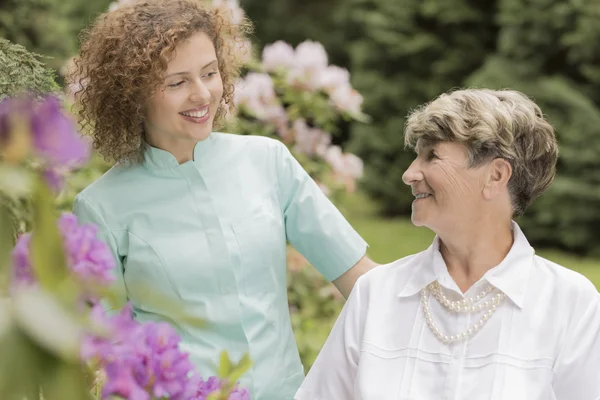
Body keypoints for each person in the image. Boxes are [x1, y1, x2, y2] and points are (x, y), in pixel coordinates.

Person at [68, 1, 377, 398]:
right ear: (133, 94)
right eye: (177, 82)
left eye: (210, 73)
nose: (202, 95)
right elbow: (105, 351)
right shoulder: (100, 207)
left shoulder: (268, 161)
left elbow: (360, 277)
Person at [295, 88, 600, 400]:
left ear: (495, 176)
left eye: (432, 156)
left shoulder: (571, 305)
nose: (409, 174)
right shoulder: (374, 294)